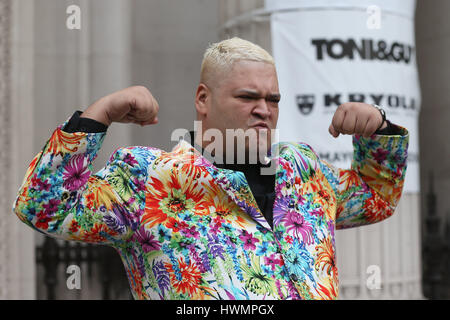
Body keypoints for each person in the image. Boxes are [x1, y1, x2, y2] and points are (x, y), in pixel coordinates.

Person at [13, 37, 408, 300]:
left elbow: (377, 198)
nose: (264, 110)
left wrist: (379, 128)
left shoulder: (302, 170)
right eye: (248, 96)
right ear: (203, 99)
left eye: (273, 99)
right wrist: (99, 115)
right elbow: (44, 205)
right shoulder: (149, 180)